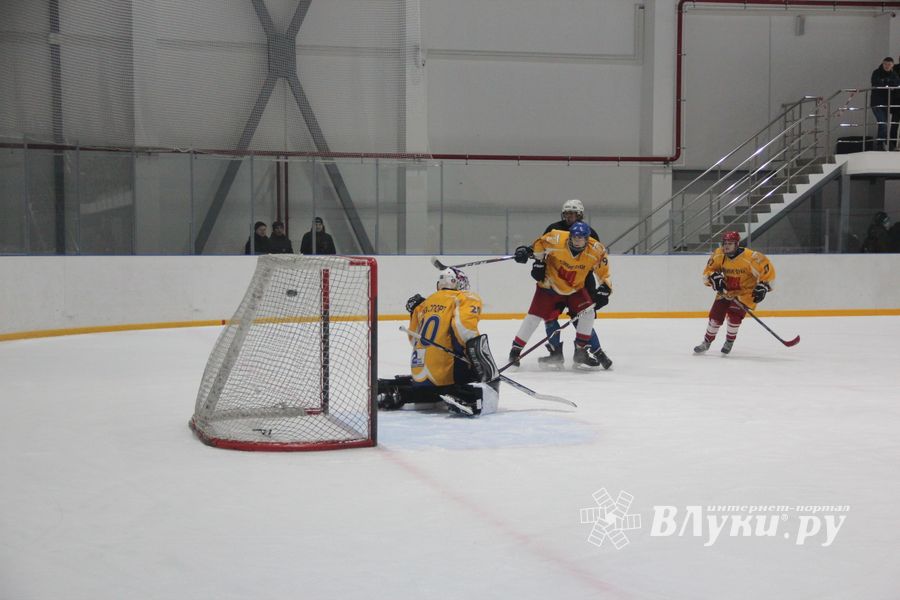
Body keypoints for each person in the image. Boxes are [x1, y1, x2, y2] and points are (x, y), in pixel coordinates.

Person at [376, 267, 500, 416]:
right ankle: (464, 395)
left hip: (420, 373)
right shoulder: (465, 297)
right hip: (446, 373)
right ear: (458, 283)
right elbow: (464, 329)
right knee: (471, 370)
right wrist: (474, 359)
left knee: (430, 390)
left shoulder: (424, 303)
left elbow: (413, 338)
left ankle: (400, 393)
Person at [514, 199, 612, 370]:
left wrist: (604, 287)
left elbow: (597, 262)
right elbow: (540, 247)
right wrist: (529, 254)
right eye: (566, 213)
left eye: (573, 213)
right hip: (555, 278)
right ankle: (555, 353)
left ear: (580, 214)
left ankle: (592, 351)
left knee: (583, 316)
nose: (569, 216)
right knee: (549, 316)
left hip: (580, 280)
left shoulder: (591, 234)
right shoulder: (554, 230)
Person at [693, 231, 776, 355]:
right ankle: (706, 342)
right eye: (725, 243)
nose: (726, 246)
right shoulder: (718, 255)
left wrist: (763, 286)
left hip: (745, 293)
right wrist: (713, 277)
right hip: (727, 290)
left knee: (734, 316)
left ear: (737, 244)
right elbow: (707, 273)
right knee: (715, 316)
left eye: (730, 243)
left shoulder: (752, 258)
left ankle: (729, 342)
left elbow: (768, 274)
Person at [870, 57, 900, 150]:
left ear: (892, 65)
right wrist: (887, 83)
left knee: (884, 124)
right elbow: (876, 83)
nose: (887, 66)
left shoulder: (894, 74)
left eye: (889, 64)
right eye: (885, 64)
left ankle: (883, 144)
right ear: (882, 64)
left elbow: (896, 83)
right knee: (883, 124)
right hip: (877, 103)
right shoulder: (876, 72)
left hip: (887, 103)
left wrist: (885, 82)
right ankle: (880, 145)